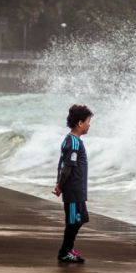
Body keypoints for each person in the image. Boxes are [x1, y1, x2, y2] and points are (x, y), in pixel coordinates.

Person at [53, 104, 93, 263]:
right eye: (88, 121)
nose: (89, 125)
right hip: (73, 190)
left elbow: (63, 165)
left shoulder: (73, 141)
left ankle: (68, 249)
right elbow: (67, 167)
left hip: (77, 191)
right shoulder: (74, 143)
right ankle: (64, 252)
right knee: (73, 221)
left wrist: (59, 183)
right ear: (80, 123)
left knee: (80, 219)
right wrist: (60, 186)